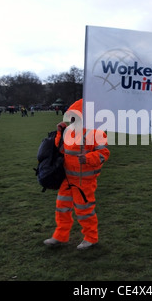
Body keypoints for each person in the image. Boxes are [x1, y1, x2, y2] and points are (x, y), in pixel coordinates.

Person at [44, 99, 110, 250]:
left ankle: (91, 238)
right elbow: (59, 149)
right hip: (67, 179)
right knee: (61, 208)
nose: (71, 119)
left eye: (74, 115)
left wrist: (87, 158)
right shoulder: (68, 131)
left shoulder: (97, 133)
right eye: (71, 116)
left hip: (84, 181)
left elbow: (103, 154)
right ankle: (60, 236)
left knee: (84, 211)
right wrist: (59, 133)